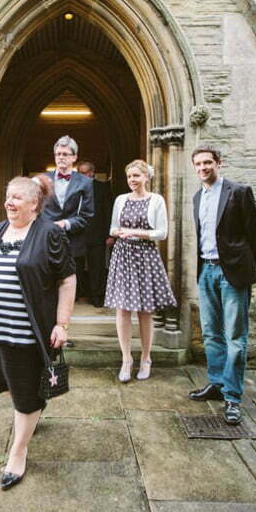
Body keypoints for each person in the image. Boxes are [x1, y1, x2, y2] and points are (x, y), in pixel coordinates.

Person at [0, 175, 76, 490]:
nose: (9, 202)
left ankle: (18, 452)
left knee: (24, 398)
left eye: (17, 197)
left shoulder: (49, 234)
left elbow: (67, 279)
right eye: (8, 196)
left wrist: (62, 323)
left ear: (34, 204)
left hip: (27, 332)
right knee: (4, 384)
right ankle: (32, 409)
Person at [188, 145, 256, 426]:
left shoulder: (239, 192)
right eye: (198, 164)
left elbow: (255, 233)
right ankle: (217, 383)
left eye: (208, 162)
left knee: (235, 337)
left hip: (232, 274)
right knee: (210, 333)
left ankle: (232, 397)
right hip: (206, 270)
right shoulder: (197, 197)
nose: (203, 168)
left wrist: (242, 266)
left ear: (219, 163)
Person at [104, 160, 177, 383]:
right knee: (123, 309)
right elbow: (113, 228)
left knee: (146, 310)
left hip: (145, 256)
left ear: (146, 177)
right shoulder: (120, 200)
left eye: (136, 176)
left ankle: (146, 358)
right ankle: (126, 359)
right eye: (129, 177)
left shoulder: (156, 200)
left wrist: (135, 233)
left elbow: (162, 232)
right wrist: (120, 232)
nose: (132, 181)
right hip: (123, 255)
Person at [41, 135, 93, 346]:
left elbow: (87, 216)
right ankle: (46, 331)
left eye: (65, 154)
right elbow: (36, 210)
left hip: (72, 242)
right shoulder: (43, 179)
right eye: (58, 154)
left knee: (67, 287)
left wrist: (66, 224)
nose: (61, 157)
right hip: (45, 241)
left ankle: (64, 331)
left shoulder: (85, 182)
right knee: (46, 286)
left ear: (74, 157)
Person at [78, 161, 113, 308]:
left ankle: (96, 296)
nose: (84, 176)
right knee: (75, 266)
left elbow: (108, 211)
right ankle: (76, 294)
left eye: (86, 172)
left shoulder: (102, 187)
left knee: (96, 267)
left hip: (97, 234)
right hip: (76, 234)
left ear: (92, 172)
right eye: (80, 173)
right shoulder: (73, 187)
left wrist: (110, 235)